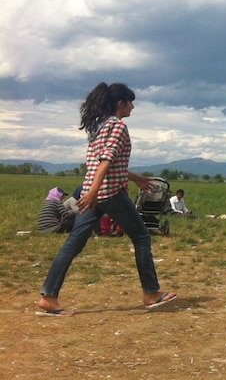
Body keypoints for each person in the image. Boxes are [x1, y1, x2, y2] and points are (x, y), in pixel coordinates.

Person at [37, 82, 176, 316]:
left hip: (93, 192)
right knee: (142, 236)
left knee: (74, 243)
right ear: (120, 103)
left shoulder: (99, 127)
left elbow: (108, 163)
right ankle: (151, 293)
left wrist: (136, 178)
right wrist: (94, 193)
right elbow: (106, 162)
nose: (133, 107)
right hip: (108, 193)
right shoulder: (118, 127)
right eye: (130, 102)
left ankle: (49, 297)